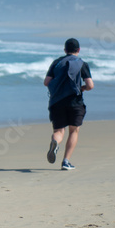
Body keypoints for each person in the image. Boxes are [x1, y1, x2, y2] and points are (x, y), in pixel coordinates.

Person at [44, 38, 94, 170]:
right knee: (74, 131)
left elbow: (46, 82)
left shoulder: (56, 62)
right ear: (78, 50)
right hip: (75, 102)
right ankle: (66, 162)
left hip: (57, 102)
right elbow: (90, 85)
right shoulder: (82, 64)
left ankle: (55, 141)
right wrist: (82, 88)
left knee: (59, 131)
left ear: (65, 50)